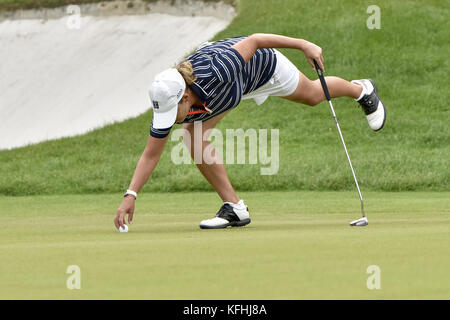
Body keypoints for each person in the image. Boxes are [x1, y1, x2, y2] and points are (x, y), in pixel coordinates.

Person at [113, 33, 386, 230]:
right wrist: (130, 195)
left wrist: (304, 45)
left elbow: (255, 41)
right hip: (232, 89)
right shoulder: (169, 96)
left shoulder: (218, 69)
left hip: (265, 68)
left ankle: (362, 90)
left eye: (172, 112)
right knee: (191, 135)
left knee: (313, 95)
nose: (168, 119)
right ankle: (235, 209)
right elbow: (151, 154)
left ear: (185, 97)